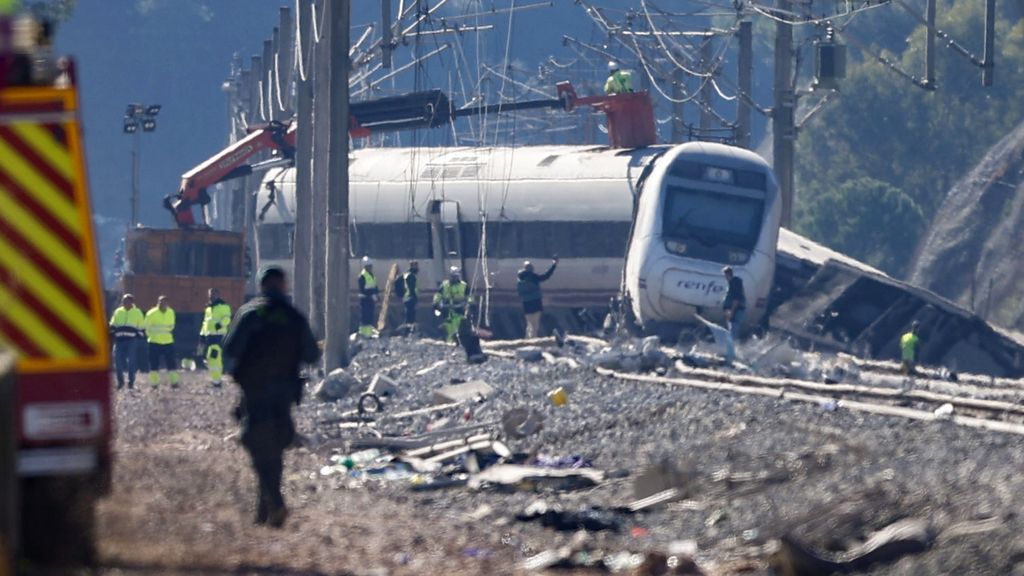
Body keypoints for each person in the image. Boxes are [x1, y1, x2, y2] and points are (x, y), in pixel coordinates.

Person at [222, 266, 320, 528]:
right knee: (275, 449)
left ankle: (274, 504)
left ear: (262, 285)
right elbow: (312, 355)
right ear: (284, 285)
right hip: (284, 394)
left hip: (255, 393)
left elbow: (230, 348)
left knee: (258, 447)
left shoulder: (250, 314)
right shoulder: (293, 317)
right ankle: (265, 511)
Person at [109, 293, 145, 390]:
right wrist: (112, 332)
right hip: (119, 341)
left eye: (127, 301)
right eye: (123, 301)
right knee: (117, 361)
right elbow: (113, 323)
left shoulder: (137, 312)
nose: (124, 302)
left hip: (131, 341)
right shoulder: (118, 311)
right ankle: (120, 382)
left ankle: (131, 382)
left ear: (132, 302)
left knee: (131, 362)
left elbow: (141, 326)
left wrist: (138, 337)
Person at [517, 257, 558, 338]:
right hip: (536, 303)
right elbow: (546, 276)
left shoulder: (520, 279)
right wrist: (554, 265)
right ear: (532, 269)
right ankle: (533, 340)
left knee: (529, 324)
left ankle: (527, 340)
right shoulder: (533, 277)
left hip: (526, 305)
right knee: (535, 324)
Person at [144, 295, 179, 388]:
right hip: (154, 342)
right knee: (154, 364)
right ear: (157, 302)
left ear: (167, 303)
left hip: (168, 341)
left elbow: (172, 326)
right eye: (160, 302)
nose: (162, 304)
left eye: (164, 302)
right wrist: (152, 336)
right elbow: (146, 327)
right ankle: (154, 383)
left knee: (171, 363)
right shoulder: (151, 313)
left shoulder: (171, 312)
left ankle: (174, 382)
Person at [200, 288, 232, 387]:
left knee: (214, 357)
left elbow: (227, 318)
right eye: (210, 294)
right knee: (210, 358)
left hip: (219, 336)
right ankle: (216, 379)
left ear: (218, 294)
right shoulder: (208, 308)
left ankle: (217, 381)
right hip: (209, 336)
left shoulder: (223, 306)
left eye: (213, 294)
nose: (211, 296)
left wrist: (220, 325)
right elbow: (206, 322)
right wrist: (202, 335)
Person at [433, 265, 471, 342]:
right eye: (453, 276)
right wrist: (436, 303)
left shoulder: (464, 285)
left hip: (460, 310)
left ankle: (461, 342)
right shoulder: (444, 285)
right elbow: (438, 295)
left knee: (460, 328)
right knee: (449, 329)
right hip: (447, 310)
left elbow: (469, 297)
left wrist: (469, 304)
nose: (454, 278)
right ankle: (450, 343)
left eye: (456, 276)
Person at [721, 266, 746, 363]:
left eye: (725, 275)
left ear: (728, 274)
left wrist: (731, 311)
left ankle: (731, 355)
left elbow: (736, 299)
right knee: (731, 332)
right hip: (733, 311)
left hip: (736, 312)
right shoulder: (733, 283)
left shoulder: (734, 284)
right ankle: (731, 352)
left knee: (733, 333)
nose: (725, 277)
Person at [357, 255, 379, 337]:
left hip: (370, 299)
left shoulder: (371, 275)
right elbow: (362, 289)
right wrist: (371, 294)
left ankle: (368, 333)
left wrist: (376, 294)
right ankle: (363, 334)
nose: (371, 267)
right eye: (369, 266)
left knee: (370, 316)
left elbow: (374, 286)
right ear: (366, 266)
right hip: (365, 299)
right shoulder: (362, 276)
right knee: (365, 317)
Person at [401, 260, 419, 327]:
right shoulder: (411, 276)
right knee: (410, 317)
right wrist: (415, 297)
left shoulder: (407, 274)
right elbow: (412, 288)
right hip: (410, 298)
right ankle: (408, 332)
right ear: (412, 266)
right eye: (416, 266)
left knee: (409, 316)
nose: (417, 267)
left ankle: (408, 331)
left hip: (406, 298)